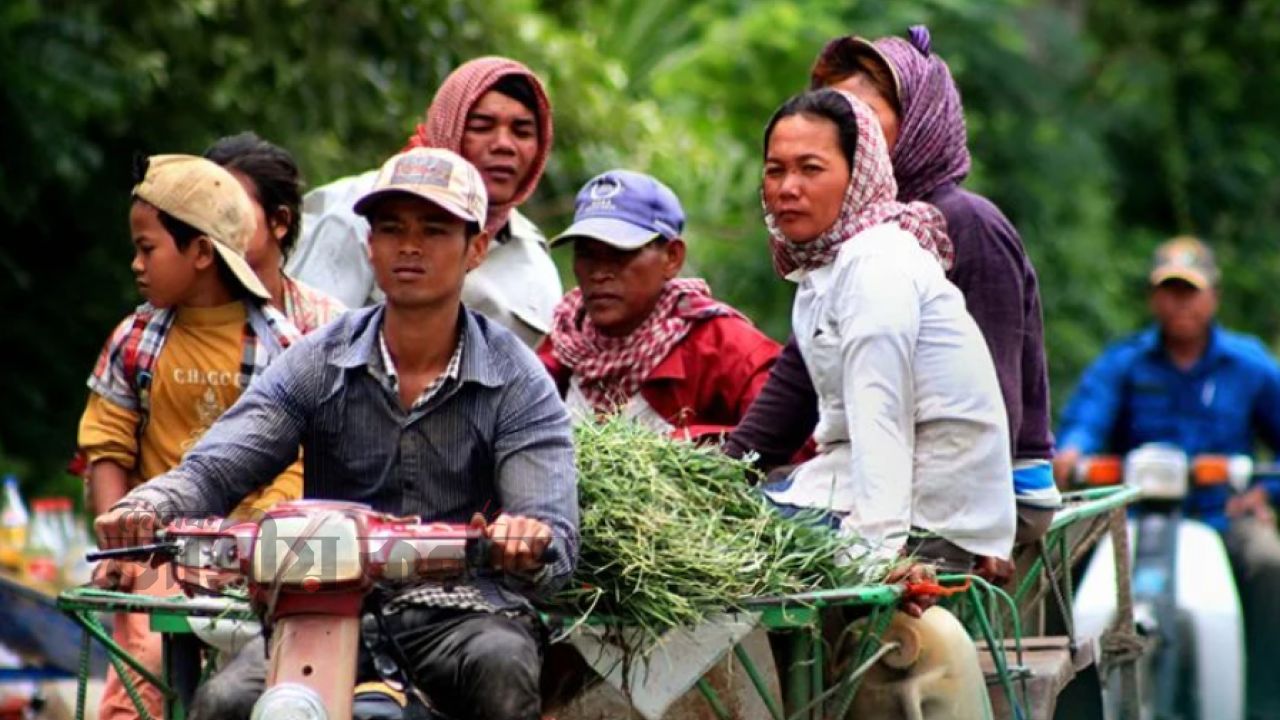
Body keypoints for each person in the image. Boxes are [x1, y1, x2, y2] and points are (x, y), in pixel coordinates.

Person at [94, 147, 578, 720]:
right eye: (391, 228)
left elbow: (554, 535)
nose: (410, 246)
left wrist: (526, 538)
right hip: (323, 603)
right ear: (369, 244)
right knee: (225, 701)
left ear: (475, 249)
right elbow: (219, 464)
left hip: (463, 615)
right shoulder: (319, 357)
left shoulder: (518, 378)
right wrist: (149, 504)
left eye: (434, 230)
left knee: (504, 667)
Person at [726, 25, 1060, 545]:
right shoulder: (835, 246)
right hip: (883, 469)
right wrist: (720, 474)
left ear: (919, 121)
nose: (851, 130)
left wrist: (984, 527)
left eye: (863, 116)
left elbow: (988, 394)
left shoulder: (959, 225)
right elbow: (797, 385)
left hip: (995, 483)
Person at [77, 155, 304, 720]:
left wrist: (255, 543)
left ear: (201, 252)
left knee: (239, 691)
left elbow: (297, 461)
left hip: (251, 561)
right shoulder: (135, 340)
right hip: (154, 554)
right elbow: (107, 445)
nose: (136, 265)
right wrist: (119, 548)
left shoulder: (283, 348)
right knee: (143, 677)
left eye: (147, 248)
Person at [758, 88, 1015, 582]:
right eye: (775, 171)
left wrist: (874, 559)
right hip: (868, 487)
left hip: (923, 512)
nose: (788, 187)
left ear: (859, 174)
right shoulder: (823, 270)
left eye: (811, 169)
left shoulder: (874, 265)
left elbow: (883, 416)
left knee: (723, 543)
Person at [1055, 236, 1280, 717]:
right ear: (1153, 297)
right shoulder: (1125, 361)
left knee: (1269, 563)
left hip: (1221, 515)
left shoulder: (1248, 363)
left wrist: (1264, 490)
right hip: (1126, 519)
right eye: (1170, 291)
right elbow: (1086, 420)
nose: (1181, 303)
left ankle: (1263, 703)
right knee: (1055, 563)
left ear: (1213, 296)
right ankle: (1066, 701)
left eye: (1191, 291)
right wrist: (1073, 453)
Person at [287, 56, 561, 347]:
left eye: (522, 132)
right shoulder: (360, 209)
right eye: (482, 127)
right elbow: (304, 342)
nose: (504, 145)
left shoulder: (534, 258)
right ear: (448, 126)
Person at [538, 170, 779, 437]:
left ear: (672, 258)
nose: (599, 273)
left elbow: (789, 435)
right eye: (586, 254)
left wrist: (683, 446)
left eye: (620, 253)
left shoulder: (726, 348)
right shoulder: (562, 345)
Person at [204, 132, 346, 333]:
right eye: (204, 208)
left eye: (231, 210)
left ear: (279, 221)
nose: (212, 221)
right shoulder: (169, 321)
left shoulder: (329, 326)